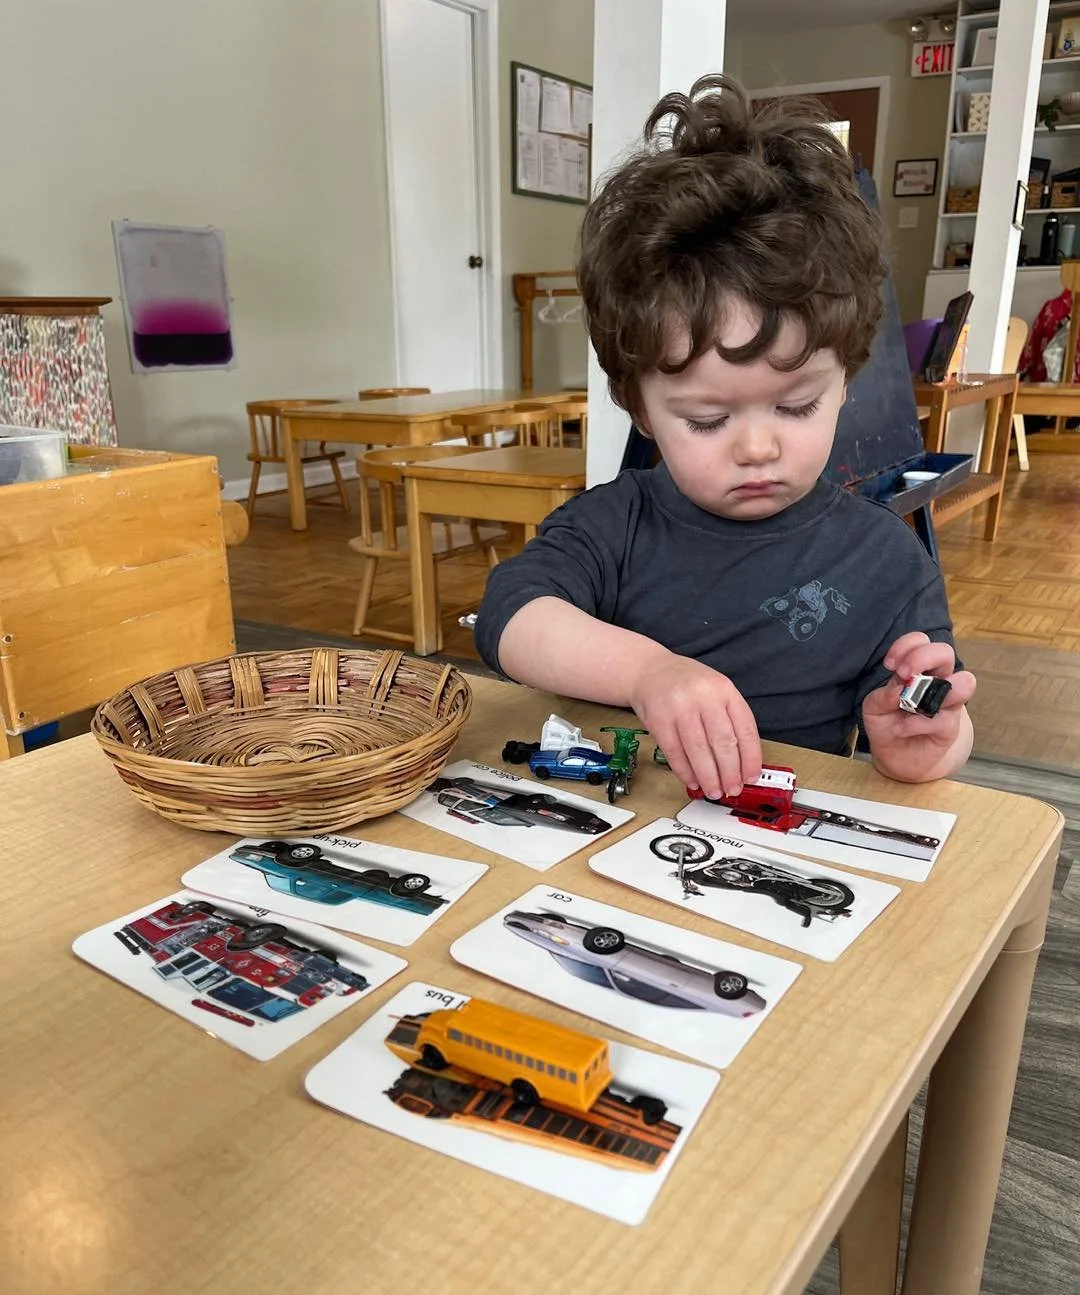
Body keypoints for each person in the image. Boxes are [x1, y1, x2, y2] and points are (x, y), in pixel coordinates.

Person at [475, 74, 975, 799]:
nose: (757, 447)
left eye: (797, 406)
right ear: (639, 408)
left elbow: (932, 727)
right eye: (708, 420)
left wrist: (924, 743)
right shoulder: (619, 522)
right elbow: (509, 614)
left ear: (844, 382)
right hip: (616, 835)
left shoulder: (884, 561)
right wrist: (648, 671)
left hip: (776, 845)